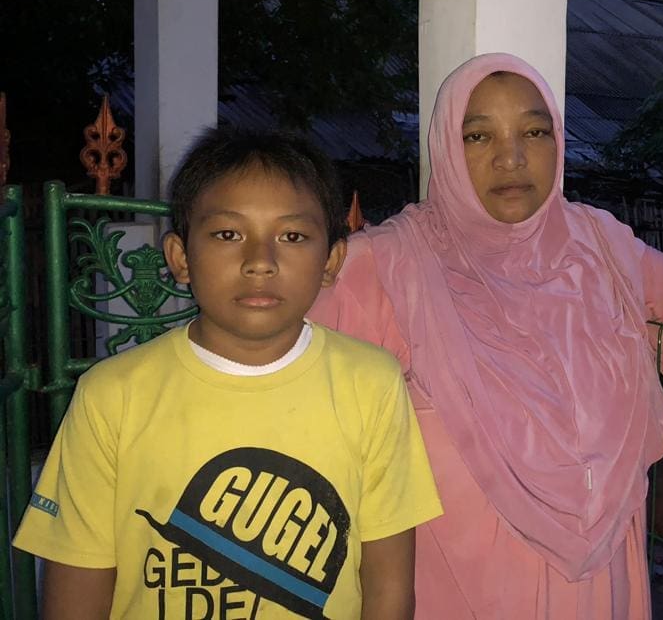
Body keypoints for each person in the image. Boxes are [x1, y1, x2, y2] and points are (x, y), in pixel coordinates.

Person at [308, 52, 663, 619]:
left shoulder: (596, 244)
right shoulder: (388, 265)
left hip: (602, 569)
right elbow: (284, 371)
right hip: (460, 581)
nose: (511, 157)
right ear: (446, 148)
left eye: (534, 131)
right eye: (478, 136)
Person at [14, 129, 442, 619]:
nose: (260, 262)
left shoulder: (372, 384)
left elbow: (389, 587)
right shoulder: (112, 396)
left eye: (292, 236)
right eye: (228, 235)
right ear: (180, 258)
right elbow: (76, 594)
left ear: (331, 261)